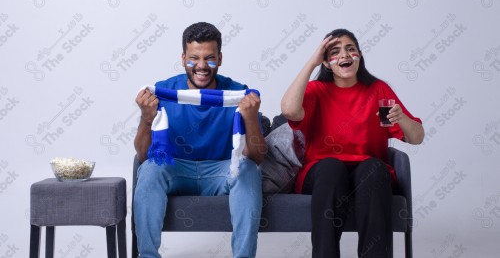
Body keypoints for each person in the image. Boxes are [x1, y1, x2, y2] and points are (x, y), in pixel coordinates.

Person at [281, 28, 424, 258]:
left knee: (375, 168)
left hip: (367, 170)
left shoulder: (378, 90)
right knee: (332, 167)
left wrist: (402, 119)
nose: (345, 55)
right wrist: (312, 62)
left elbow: (417, 137)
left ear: (359, 55)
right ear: (327, 63)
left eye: (350, 49)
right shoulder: (316, 91)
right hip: (323, 172)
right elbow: (288, 109)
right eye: (335, 52)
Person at [133, 22, 266, 258]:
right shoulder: (163, 91)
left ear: (220, 58)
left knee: (247, 170)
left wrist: (251, 117)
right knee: (150, 169)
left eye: (210, 58)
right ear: (183, 59)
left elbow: (256, 158)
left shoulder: (236, 92)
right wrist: (146, 118)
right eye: (194, 58)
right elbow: (143, 156)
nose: (202, 66)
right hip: (176, 169)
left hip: (222, 171)